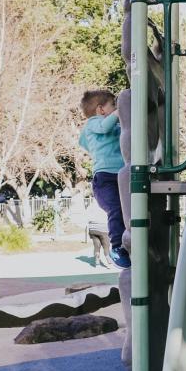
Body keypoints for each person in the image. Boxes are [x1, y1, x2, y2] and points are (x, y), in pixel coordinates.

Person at [79, 90, 130, 269]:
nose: (116, 109)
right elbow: (101, 129)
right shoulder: (92, 123)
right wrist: (118, 113)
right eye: (113, 105)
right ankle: (116, 247)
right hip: (105, 178)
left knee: (128, 211)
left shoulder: (114, 126)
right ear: (101, 110)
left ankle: (129, 242)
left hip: (121, 175)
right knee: (116, 209)